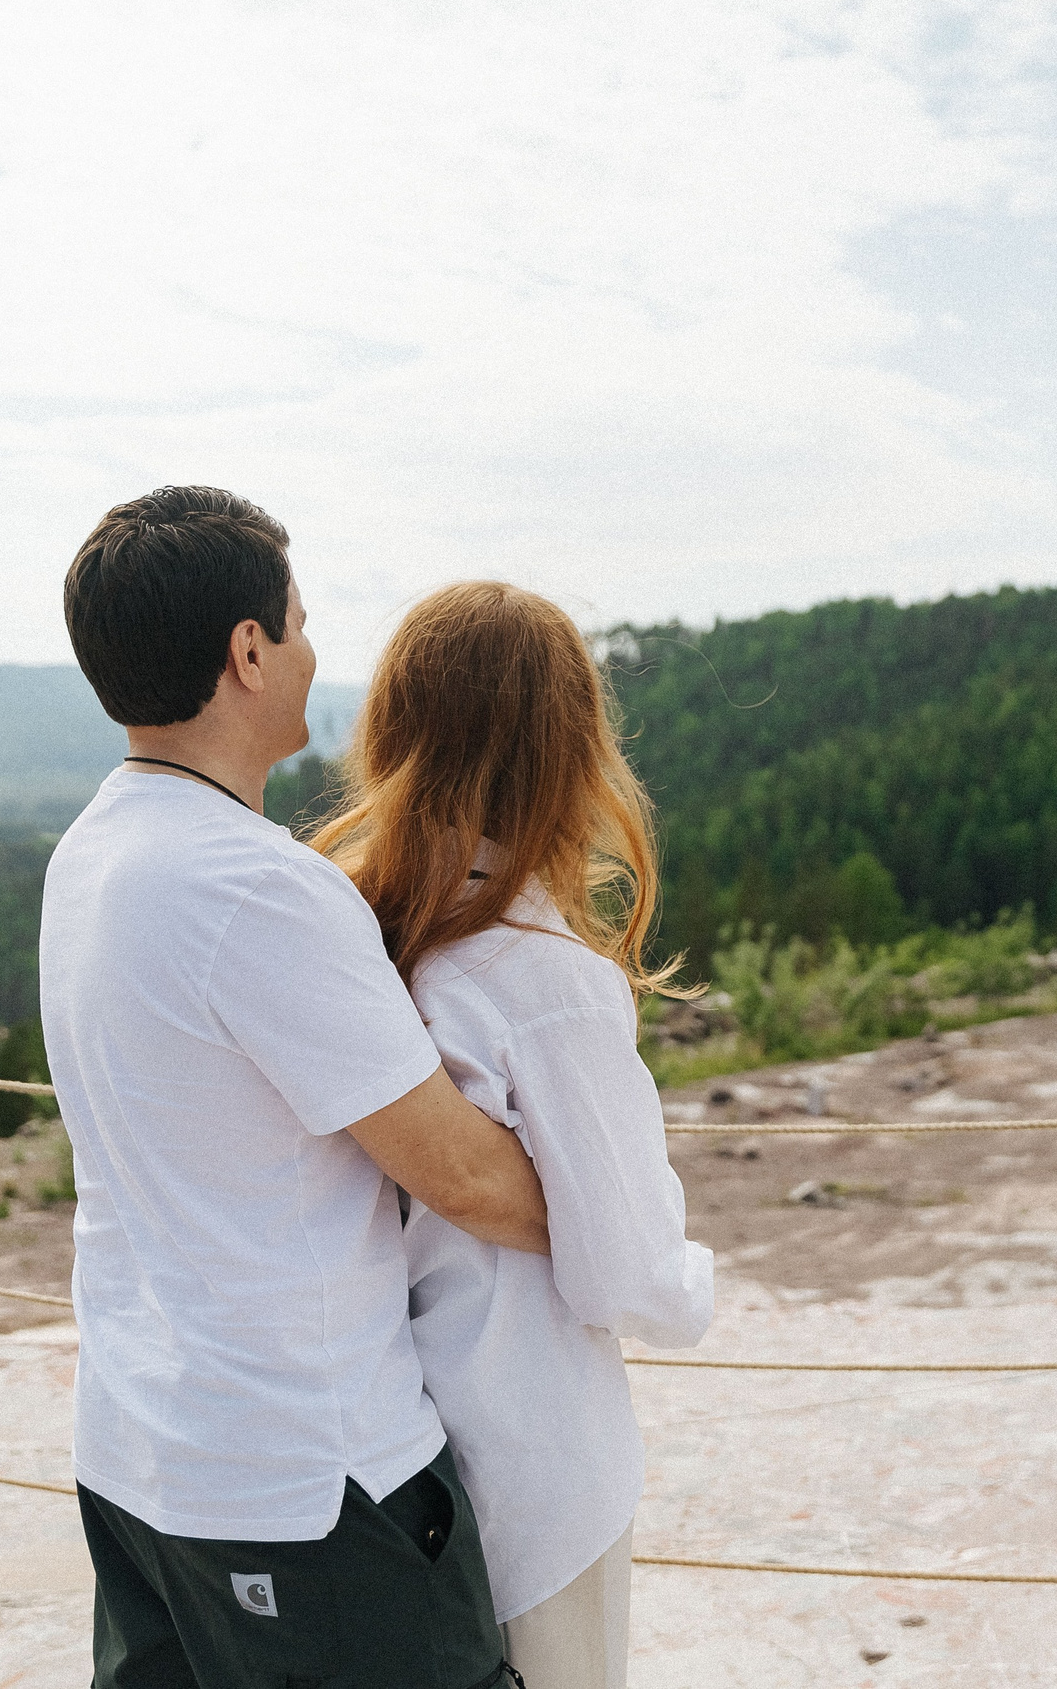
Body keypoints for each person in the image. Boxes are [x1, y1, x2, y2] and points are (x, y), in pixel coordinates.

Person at [40, 487, 547, 1689]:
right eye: (303, 623)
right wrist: (626, 1226)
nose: (318, 654)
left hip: (138, 1453)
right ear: (249, 651)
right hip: (305, 1480)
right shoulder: (254, 888)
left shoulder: (93, 851)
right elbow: (460, 1172)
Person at [312, 581, 716, 1689]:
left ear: (389, 733)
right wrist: (695, 1278)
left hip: (376, 1451)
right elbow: (628, 1273)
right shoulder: (548, 981)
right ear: (571, 752)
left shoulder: (342, 933)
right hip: (533, 1464)